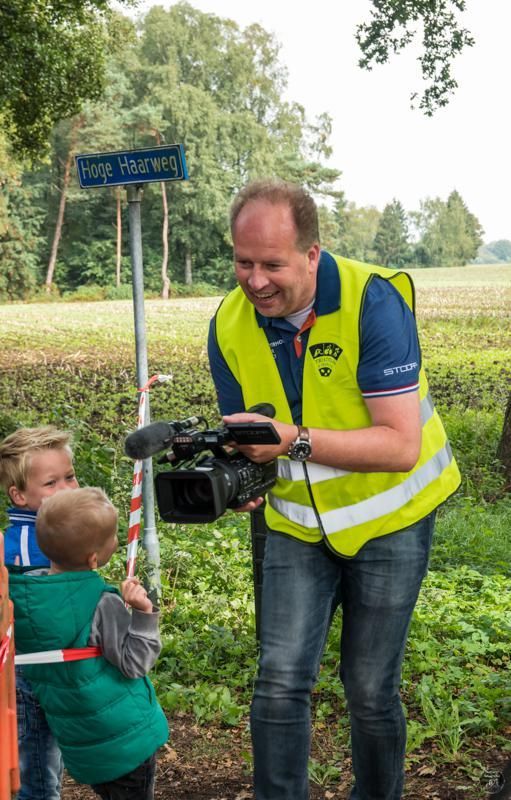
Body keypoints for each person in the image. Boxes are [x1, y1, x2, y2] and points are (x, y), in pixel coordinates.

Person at [207, 179, 461, 800]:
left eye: (273, 264)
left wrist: (291, 440)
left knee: (371, 689)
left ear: (312, 254)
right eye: (244, 262)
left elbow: (400, 445)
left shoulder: (373, 302)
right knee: (279, 680)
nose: (255, 281)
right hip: (296, 526)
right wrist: (244, 479)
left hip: (390, 521)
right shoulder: (228, 324)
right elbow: (252, 435)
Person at [8, 486, 169, 800]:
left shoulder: (25, 600)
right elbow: (135, 663)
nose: (117, 541)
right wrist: (143, 613)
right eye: (112, 538)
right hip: (124, 739)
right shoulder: (100, 603)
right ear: (94, 557)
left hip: (81, 742)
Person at [0, 425, 79, 800]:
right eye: (51, 483)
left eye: (70, 477)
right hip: (31, 673)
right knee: (36, 773)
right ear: (19, 495)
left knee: (42, 763)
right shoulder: (34, 547)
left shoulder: (58, 533)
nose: (66, 488)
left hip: (44, 667)